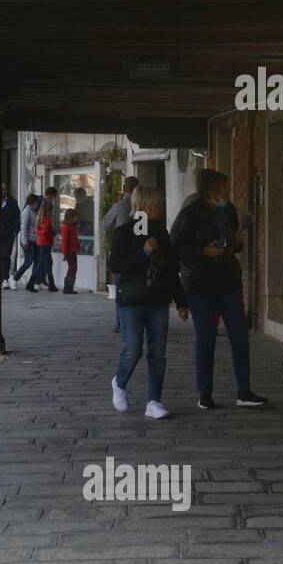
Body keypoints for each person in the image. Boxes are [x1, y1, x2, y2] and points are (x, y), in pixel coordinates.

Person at [174, 169, 268, 409]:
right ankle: (204, 394)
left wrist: (236, 242)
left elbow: (234, 244)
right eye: (224, 188)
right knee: (205, 339)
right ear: (211, 190)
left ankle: (244, 391)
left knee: (239, 336)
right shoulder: (190, 214)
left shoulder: (228, 210)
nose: (228, 192)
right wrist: (203, 251)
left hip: (228, 281)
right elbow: (176, 247)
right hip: (199, 285)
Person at [109, 186, 189, 419]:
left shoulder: (161, 233)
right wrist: (143, 252)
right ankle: (120, 383)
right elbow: (116, 266)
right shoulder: (123, 233)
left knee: (157, 352)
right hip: (131, 300)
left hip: (158, 299)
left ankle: (154, 401)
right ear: (145, 205)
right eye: (157, 203)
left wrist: (181, 300)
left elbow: (171, 268)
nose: (161, 207)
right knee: (132, 350)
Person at [103, 176, 140, 333]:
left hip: (123, 251)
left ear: (125, 188)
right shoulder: (143, 206)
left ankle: (121, 322)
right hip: (140, 250)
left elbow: (105, 223)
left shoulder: (120, 205)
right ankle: (138, 319)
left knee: (120, 287)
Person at [25, 200, 56, 293]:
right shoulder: (47, 219)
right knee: (41, 263)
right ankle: (30, 283)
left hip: (42, 242)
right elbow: (45, 231)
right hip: (45, 243)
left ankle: (52, 285)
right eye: (51, 210)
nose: (51, 212)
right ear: (48, 210)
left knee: (48, 262)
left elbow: (39, 231)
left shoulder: (40, 218)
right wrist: (52, 232)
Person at [12, 194, 39, 288]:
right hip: (28, 241)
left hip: (35, 240)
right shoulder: (27, 212)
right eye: (35, 202)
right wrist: (25, 242)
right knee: (28, 262)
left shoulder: (34, 211)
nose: (37, 204)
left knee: (36, 261)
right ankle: (15, 278)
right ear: (32, 202)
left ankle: (32, 282)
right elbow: (23, 228)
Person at [1, 184, 21, 290]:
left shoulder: (12, 202)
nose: (2, 191)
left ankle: (5, 278)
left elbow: (17, 217)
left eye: (3, 189)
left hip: (9, 233)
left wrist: (15, 231)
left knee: (5, 255)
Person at [59, 208, 81, 294]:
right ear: (71, 217)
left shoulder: (73, 227)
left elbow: (75, 239)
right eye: (75, 216)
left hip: (73, 251)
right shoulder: (66, 228)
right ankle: (67, 288)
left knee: (73, 268)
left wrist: (78, 248)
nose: (77, 218)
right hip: (69, 252)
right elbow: (64, 242)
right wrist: (64, 254)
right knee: (72, 268)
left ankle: (69, 287)